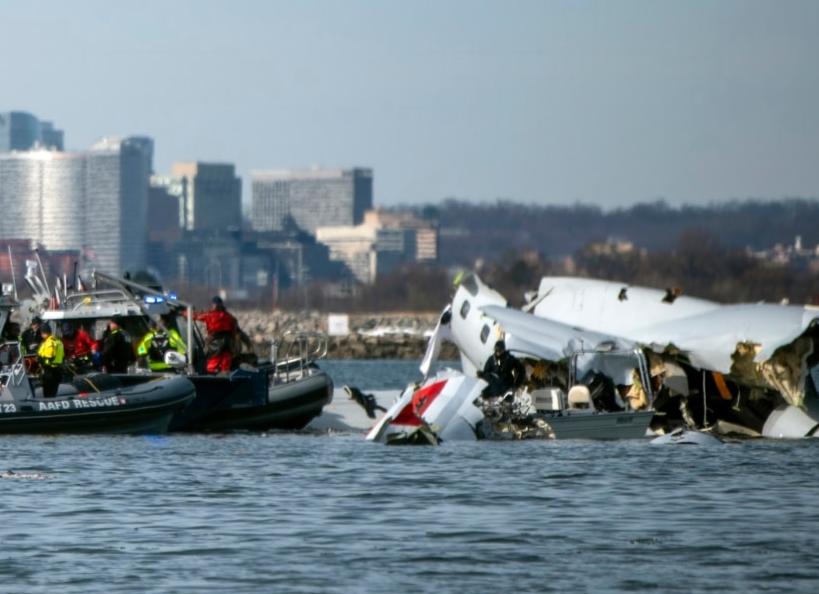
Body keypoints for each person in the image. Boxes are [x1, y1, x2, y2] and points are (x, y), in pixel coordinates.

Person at [193, 296, 241, 374]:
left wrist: (183, 312)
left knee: (212, 364)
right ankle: (224, 376)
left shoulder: (210, 315)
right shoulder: (229, 317)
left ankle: (212, 376)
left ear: (213, 305)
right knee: (225, 366)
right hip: (227, 344)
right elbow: (235, 331)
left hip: (215, 344)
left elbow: (195, 316)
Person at [37, 323, 64, 397]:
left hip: (49, 371)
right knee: (55, 391)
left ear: (43, 332)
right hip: (58, 369)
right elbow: (62, 355)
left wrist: (40, 359)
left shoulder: (49, 342)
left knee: (48, 392)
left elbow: (48, 356)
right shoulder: (58, 341)